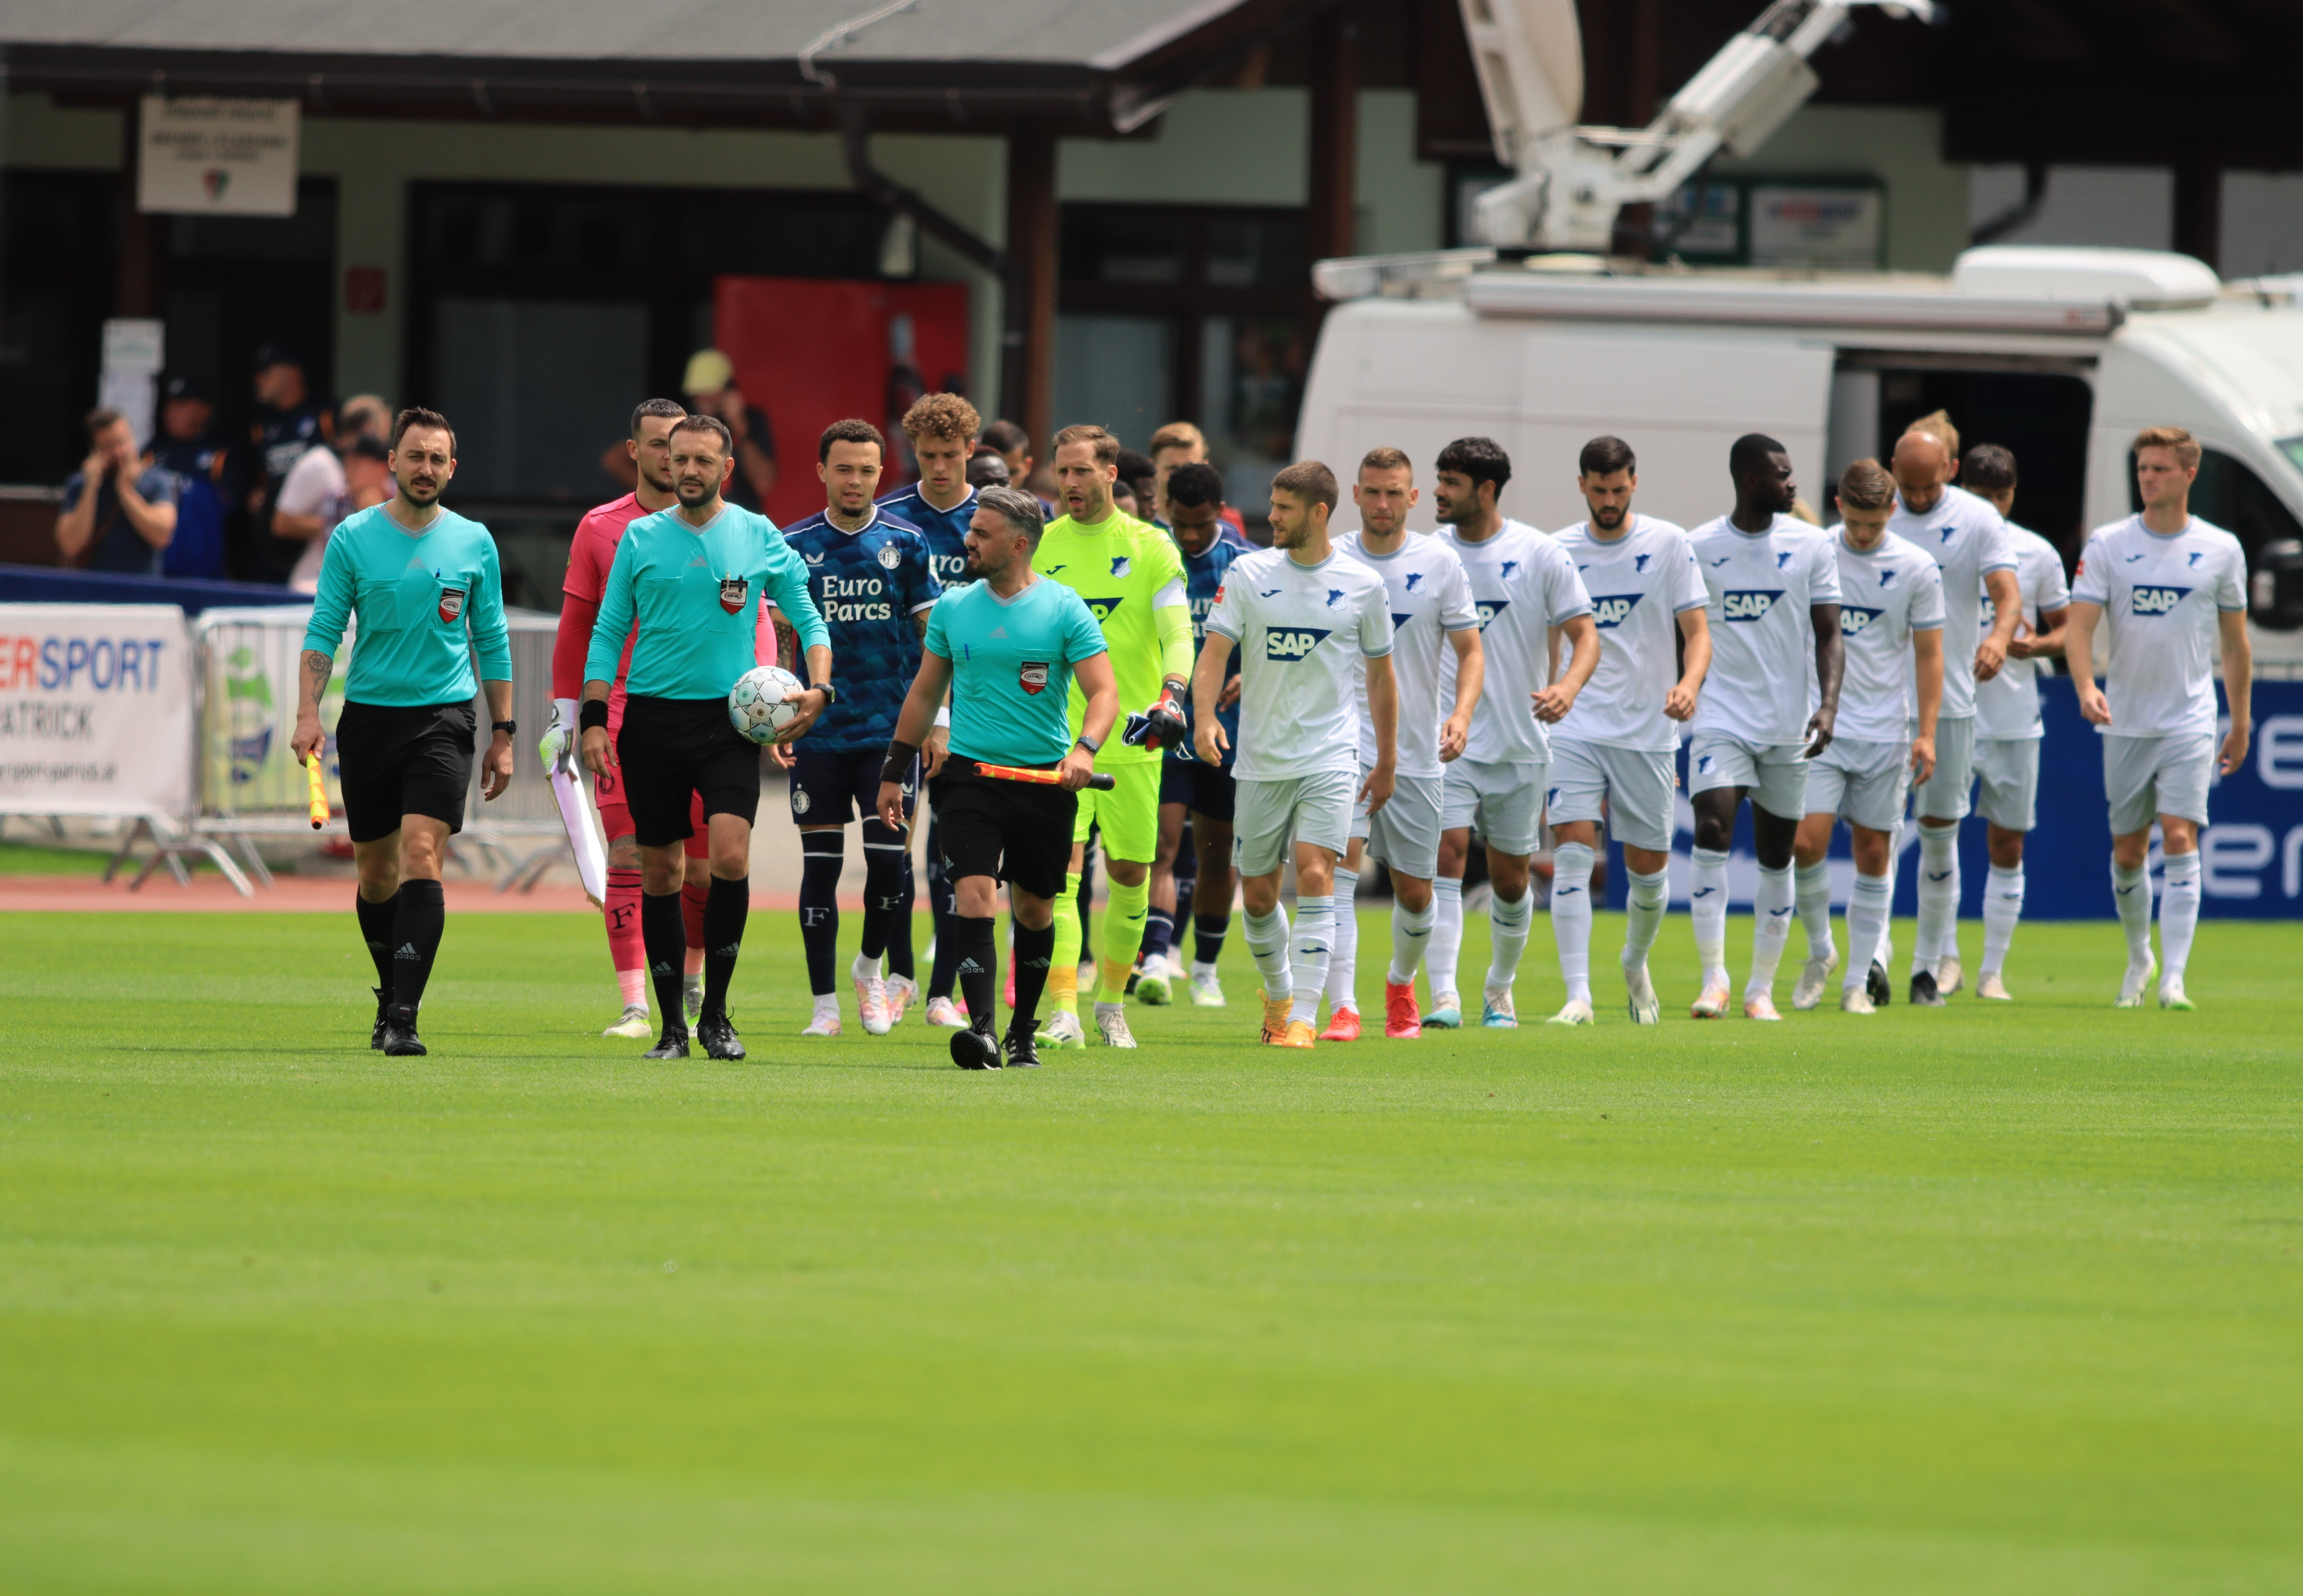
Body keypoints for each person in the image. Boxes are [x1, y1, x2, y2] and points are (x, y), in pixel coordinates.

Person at [579, 414, 832, 1060]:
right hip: (652, 722)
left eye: (701, 460)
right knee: (661, 869)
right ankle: (671, 1028)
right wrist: (589, 720)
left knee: (728, 857)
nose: (686, 469)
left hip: (728, 725)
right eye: (677, 457)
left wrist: (819, 687)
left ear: (726, 467)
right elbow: (608, 632)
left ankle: (716, 1015)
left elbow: (807, 613)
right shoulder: (640, 538)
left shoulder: (757, 534)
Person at [290, 407, 513, 1057]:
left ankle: (406, 1017)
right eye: (415, 456)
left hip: (444, 720)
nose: (426, 468)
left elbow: (493, 641)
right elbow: (324, 630)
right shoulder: (353, 538)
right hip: (368, 721)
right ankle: (389, 994)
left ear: (452, 467)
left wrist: (503, 732)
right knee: (376, 873)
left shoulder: (474, 542)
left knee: (422, 854)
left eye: (437, 458)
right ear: (392, 461)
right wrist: (309, 711)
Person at [876, 486, 1119, 1070]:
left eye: (981, 533)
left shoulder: (1064, 608)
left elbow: (1104, 691)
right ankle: (982, 1033)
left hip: (1044, 782)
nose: (968, 540)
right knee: (975, 898)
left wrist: (1085, 749)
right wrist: (893, 770)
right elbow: (925, 692)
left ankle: (1023, 1033)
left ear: (1018, 544)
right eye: (972, 530)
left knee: (1035, 911)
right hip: (969, 779)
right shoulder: (955, 606)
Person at [1193, 461, 1397, 1048]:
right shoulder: (1249, 572)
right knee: (1257, 895)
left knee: (1316, 873)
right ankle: (1280, 996)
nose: (1272, 517)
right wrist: (1205, 718)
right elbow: (1213, 656)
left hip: (1332, 754)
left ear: (1319, 512)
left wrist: (1385, 760)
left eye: (1283, 508)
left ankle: (1306, 1017)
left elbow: (1382, 679)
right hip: (1259, 758)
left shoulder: (1363, 585)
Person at [549, 398, 718, 1039]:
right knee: (633, 853)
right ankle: (635, 1005)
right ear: (637, 452)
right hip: (620, 713)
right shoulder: (600, 527)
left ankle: (692, 974)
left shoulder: (721, 529)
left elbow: (755, 611)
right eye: (657, 446)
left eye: (681, 446)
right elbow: (576, 629)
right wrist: (570, 715)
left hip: (704, 713)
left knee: (698, 867)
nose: (671, 458)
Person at [2065, 426, 2251, 1011]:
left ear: (2189, 474)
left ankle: (2174, 979)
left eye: (2160, 469)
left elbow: (2237, 644)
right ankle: (2139, 956)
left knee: (2178, 836)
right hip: (2125, 719)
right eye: (2143, 468)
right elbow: (2079, 627)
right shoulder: (2108, 543)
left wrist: (2239, 721)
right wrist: (2086, 685)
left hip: (2190, 720)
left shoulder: (2221, 549)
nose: (2148, 478)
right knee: (2127, 852)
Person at [1029, 423, 1195, 1050]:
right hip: (1059, 738)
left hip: (1135, 740)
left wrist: (1172, 693)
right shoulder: (1041, 547)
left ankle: (1111, 1007)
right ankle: (1064, 1010)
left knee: (1129, 872)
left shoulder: (1151, 546)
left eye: (1080, 471)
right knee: (1061, 876)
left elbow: (1178, 631)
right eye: (1061, 471)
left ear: (1109, 475)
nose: (1069, 483)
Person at [1425, 437, 1598, 1029]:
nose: (1439, 493)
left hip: (1522, 743)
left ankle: (1499, 990)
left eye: (1451, 482)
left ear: (1487, 490)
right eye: (1439, 479)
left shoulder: (1540, 554)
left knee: (1509, 880)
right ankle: (1444, 996)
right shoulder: (1428, 554)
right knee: (1446, 858)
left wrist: (1567, 689)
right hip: (1448, 739)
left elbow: (1586, 637)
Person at [775, 420, 941, 1036]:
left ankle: (870, 968)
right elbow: (783, 635)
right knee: (819, 867)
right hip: (817, 732)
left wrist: (937, 721)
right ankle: (824, 1005)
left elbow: (933, 641)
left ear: (880, 474)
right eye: (843, 468)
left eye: (867, 470)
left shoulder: (907, 541)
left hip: (890, 735)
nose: (855, 480)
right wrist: (776, 719)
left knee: (889, 865)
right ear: (822, 471)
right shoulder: (793, 545)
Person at [1546, 436, 1712, 1026]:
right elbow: (1550, 635)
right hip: (1577, 724)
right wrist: (1550, 689)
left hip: (1647, 729)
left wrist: (1690, 684)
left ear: (1634, 483)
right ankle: (1578, 996)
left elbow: (1696, 631)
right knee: (1571, 851)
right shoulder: (1559, 550)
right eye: (1599, 490)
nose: (1609, 500)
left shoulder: (1668, 543)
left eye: (1619, 489)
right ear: (1582, 485)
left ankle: (1635, 963)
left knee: (1647, 873)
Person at [1326, 446, 1484, 1040]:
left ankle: (1400, 983)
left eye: (1395, 492)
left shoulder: (1440, 563)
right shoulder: (1331, 558)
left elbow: (1471, 650)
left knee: (1416, 894)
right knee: (1337, 872)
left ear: (1413, 498)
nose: (1384, 503)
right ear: (1357, 493)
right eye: (1373, 491)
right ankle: (1344, 1007)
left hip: (1418, 750)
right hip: (1342, 746)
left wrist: (1462, 715)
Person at [1685, 434, 1844, 1021]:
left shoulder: (1812, 545)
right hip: (1721, 717)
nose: (1793, 484)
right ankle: (1714, 980)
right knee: (1711, 824)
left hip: (1788, 724)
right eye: (1782, 474)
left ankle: (1759, 990)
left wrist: (1827, 706)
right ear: (1752, 480)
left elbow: (1830, 633)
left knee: (1779, 856)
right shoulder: (1699, 546)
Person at [1787, 460, 1945, 1016]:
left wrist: (1926, 733)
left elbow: (1929, 655)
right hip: (1821, 724)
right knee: (1805, 844)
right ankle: (1821, 951)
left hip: (1884, 731)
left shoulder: (1917, 567)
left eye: (1873, 525)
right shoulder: (1814, 553)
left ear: (1892, 512)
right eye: (1854, 522)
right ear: (1838, 506)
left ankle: (1857, 981)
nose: (1862, 534)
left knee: (1874, 854)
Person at [1886, 411, 2021, 1005]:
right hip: (1880, 705)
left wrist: (1997, 638)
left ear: (1952, 469)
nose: (1915, 498)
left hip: (1951, 705)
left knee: (1939, 834)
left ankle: (1926, 968)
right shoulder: (1873, 510)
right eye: (1906, 486)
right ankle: (1871, 959)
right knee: (1876, 836)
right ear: (1893, 469)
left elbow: (2007, 596)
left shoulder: (1977, 519)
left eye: (1927, 487)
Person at [877, 392, 982, 1029]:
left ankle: (944, 991)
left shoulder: (993, 520)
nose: (939, 467)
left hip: (977, 712)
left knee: (954, 853)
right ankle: (900, 979)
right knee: (893, 849)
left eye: (949, 455)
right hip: (903, 705)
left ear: (972, 451)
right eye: (927, 456)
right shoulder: (890, 518)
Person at [1960, 443, 2071, 1000]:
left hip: (2012, 718)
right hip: (1945, 713)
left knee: (2007, 845)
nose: (1991, 509)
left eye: (2000, 498)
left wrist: (2033, 648)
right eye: (1979, 497)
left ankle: (1991, 971)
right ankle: (1936, 960)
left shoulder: (2037, 553)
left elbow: (2070, 629)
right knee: (1929, 835)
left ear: (2012, 495)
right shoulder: (1937, 541)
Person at [1144, 462, 1247, 1008]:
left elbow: (1271, 638)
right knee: (1162, 842)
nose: (1188, 536)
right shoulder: (1153, 555)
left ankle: (1206, 968)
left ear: (1218, 511)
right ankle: (1157, 955)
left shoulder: (1244, 564)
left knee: (1215, 852)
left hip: (1226, 735)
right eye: (1179, 523)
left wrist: (1247, 672)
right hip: (1164, 724)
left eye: (1199, 526)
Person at [276, 399, 392, 592]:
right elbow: (281, 523)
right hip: (315, 586)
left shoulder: (396, 490)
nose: (387, 438)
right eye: (386, 430)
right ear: (369, 428)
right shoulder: (319, 464)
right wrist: (355, 521)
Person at [55, 408, 177, 575]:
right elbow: (70, 546)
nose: (119, 452)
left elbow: (162, 535)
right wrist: (91, 488)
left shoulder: (156, 481)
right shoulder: (80, 484)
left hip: (142, 590)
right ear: (94, 451)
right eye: (109, 446)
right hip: (93, 588)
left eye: (122, 442)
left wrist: (126, 491)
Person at [248, 344, 332, 584]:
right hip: (273, 544)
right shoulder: (261, 427)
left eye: (267, 372)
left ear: (293, 372)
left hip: (314, 541)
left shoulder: (325, 416)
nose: (258, 379)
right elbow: (263, 478)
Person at [149, 377, 234, 579]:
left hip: (204, 566)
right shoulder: (153, 451)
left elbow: (230, 504)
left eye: (181, 405)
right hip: (158, 565)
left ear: (204, 410)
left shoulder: (221, 450)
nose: (172, 412)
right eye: (169, 405)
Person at [680, 350, 778, 512]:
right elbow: (624, 457)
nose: (703, 399)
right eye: (698, 393)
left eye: (709, 392)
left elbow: (764, 484)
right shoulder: (680, 420)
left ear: (728, 390)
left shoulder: (751, 420)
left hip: (740, 524)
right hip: (693, 522)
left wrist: (742, 429)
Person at [1147, 420, 1250, 540]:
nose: (1181, 475)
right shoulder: (1136, 523)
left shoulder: (1228, 522)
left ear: (1205, 467)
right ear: (1152, 468)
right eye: (1172, 468)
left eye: (1189, 467)